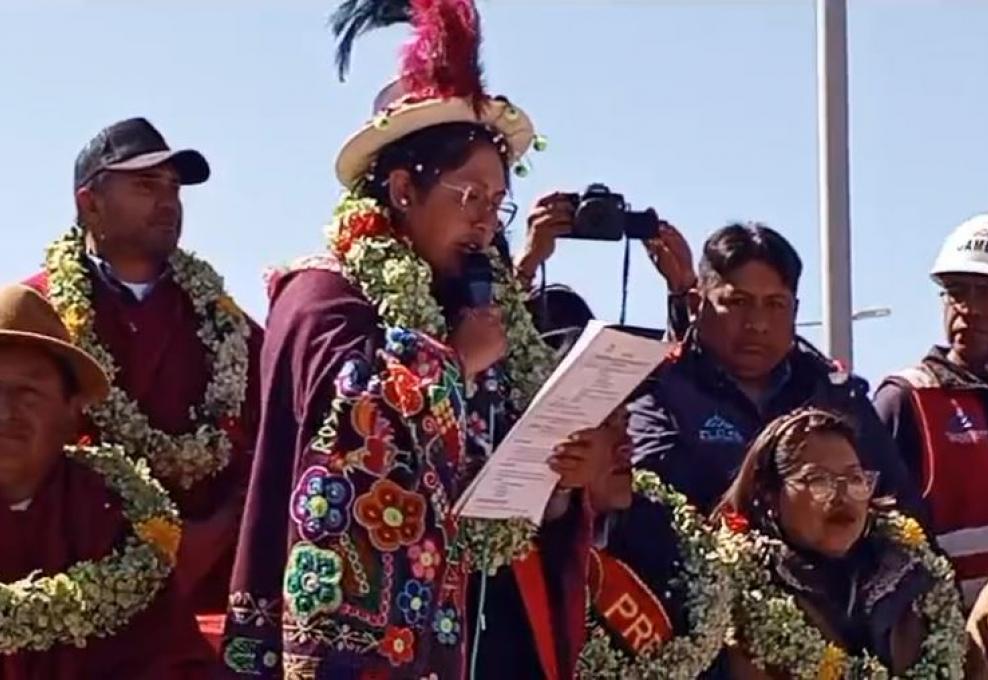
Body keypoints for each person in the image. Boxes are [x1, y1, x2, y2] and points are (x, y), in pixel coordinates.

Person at [223, 1, 607, 677]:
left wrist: (554, 483)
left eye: (499, 204)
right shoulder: (323, 295)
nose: (489, 225)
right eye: (471, 199)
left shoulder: (462, 309)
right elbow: (348, 432)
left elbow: (473, 487)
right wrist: (455, 360)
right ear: (402, 189)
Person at [24, 117, 263, 642]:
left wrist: (216, 530)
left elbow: (269, 443)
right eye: (145, 185)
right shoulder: (32, 315)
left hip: (207, 608)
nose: (168, 201)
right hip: (68, 597)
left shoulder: (229, 326)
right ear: (90, 204)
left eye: (174, 187)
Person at [628, 222, 924, 520]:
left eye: (774, 304)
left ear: (795, 310)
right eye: (738, 302)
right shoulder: (657, 389)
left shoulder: (836, 396)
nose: (757, 323)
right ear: (697, 304)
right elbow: (652, 502)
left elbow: (899, 505)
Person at [0, 284, 215, 679]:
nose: (5, 413)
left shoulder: (119, 514)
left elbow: (174, 662)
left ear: (72, 412)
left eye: (27, 393)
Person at [716, 407, 984, 679]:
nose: (841, 496)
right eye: (818, 480)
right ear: (770, 495)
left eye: (855, 479)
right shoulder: (736, 600)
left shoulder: (914, 579)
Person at [874, 214, 988, 649]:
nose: (969, 308)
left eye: (986, 292)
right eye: (957, 291)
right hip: (952, 650)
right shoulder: (908, 399)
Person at [574, 409, 732, 679]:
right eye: (604, 425)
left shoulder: (660, 531)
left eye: (625, 423)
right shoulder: (507, 559)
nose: (626, 444)